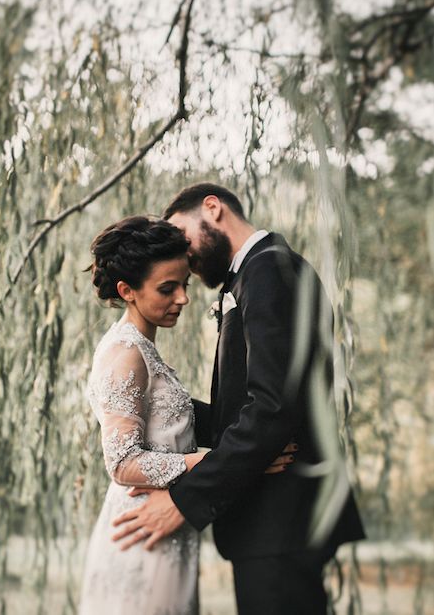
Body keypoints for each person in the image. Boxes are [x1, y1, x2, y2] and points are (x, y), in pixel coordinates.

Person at [111, 184, 365, 615]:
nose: (181, 251)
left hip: (280, 520)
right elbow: (251, 407)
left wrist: (184, 500)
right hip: (272, 522)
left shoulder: (269, 271)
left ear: (213, 208)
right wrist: (164, 411)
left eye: (181, 233)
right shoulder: (259, 272)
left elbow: (272, 407)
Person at [79, 215, 293, 615]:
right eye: (167, 288)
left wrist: (255, 447)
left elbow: (180, 423)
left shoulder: (143, 347)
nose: (183, 298)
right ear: (127, 291)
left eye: (185, 284)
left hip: (168, 531)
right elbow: (123, 463)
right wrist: (228, 462)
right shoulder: (125, 353)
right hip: (142, 531)